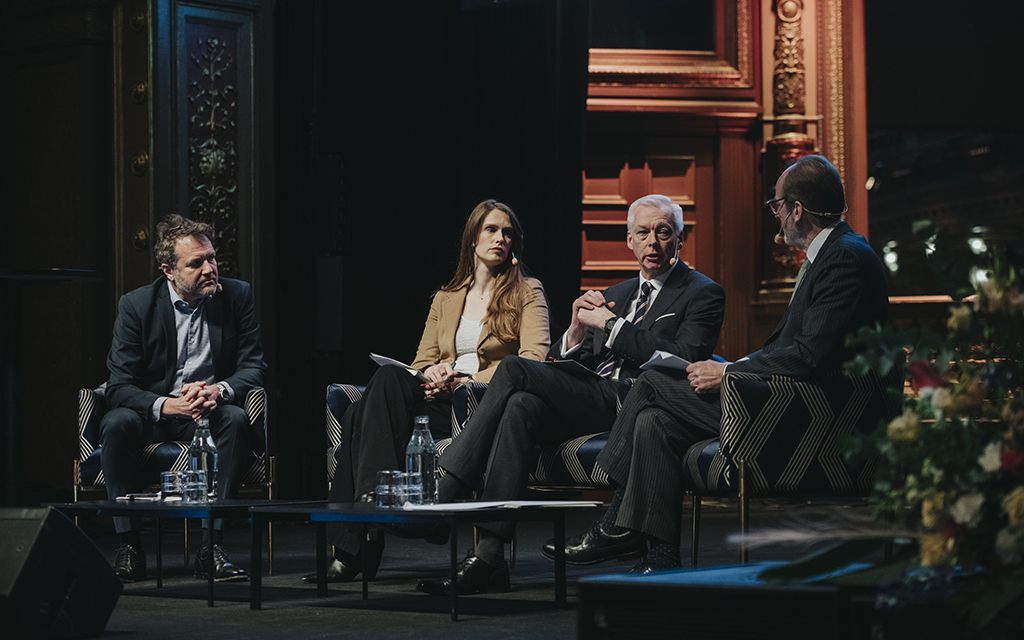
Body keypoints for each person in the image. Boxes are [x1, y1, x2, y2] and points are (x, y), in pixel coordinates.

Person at [549, 154, 889, 573]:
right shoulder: (834, 253)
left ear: (797, 209)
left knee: (653, 382)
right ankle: (660, 563)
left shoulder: (844, 257)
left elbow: (809, 355)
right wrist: (731, 365)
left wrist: (727, 371)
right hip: (792, 395)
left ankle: (615, 519)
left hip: (820, 413)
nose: (776, 216)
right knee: (653, 421)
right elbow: (800, 348)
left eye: (777, 206)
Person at [416, 194, 725, 596]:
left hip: (639, 400)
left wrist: (612, 326)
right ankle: (488, 558)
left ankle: (449, 486)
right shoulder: (618, 290)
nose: (653, 242)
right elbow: (570, 362)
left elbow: (685, 359)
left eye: (664, 233)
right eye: (643, 233)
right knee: (520, 406)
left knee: (513, 367)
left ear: (679, 240)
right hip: (593, 397)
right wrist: (576, 334)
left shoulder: (702, 292)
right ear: (628, 240)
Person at [303, 199, 551, 585]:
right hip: (437, 399)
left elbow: (532, 360)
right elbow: (421, 360)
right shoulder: (446, 297)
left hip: (481, 402)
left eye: (507, 233)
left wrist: (469, 380)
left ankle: (355, 548)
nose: (500, 239)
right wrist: (430, 372)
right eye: (491, 230)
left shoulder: (526, 292)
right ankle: (376, 502)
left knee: (355, 416)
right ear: (472, 238)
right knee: (386, 381)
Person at [100, 214, 267, 583]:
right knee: (114, 423)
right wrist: (167, 405)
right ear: (168, 271)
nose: (210, 269)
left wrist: (217, 391)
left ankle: (213, 547)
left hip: (208, 413)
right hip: (156, 413)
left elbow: (254, 367)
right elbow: (118, 386)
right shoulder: (136, 305)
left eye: (212, 258)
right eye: (196, 263)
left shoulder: (237, 295)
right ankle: (129, 547)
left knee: (237, 419)